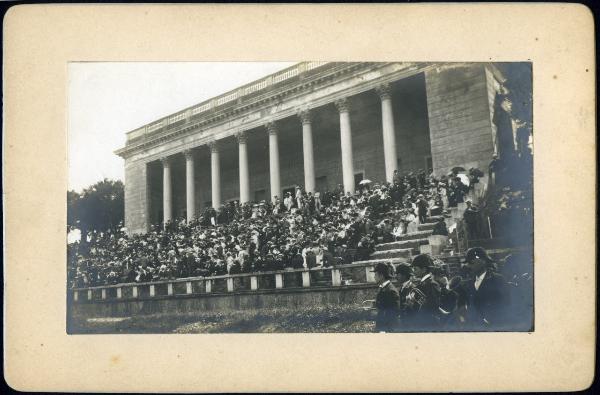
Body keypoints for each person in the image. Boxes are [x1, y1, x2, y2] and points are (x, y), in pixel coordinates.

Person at [463, 247, 510, 329]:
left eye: (471, 262)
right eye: (468, 263)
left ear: (483, 261)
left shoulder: (498, 280)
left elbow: (506, 304)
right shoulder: (470, 282)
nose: (468, 266)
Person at [370, 262, 400, 333]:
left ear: (381, 276)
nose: (374, 277)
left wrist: (383, 330)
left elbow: (393, 314)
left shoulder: (390, 291)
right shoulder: (383, 288)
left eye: (375, 274)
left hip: (388, 329)